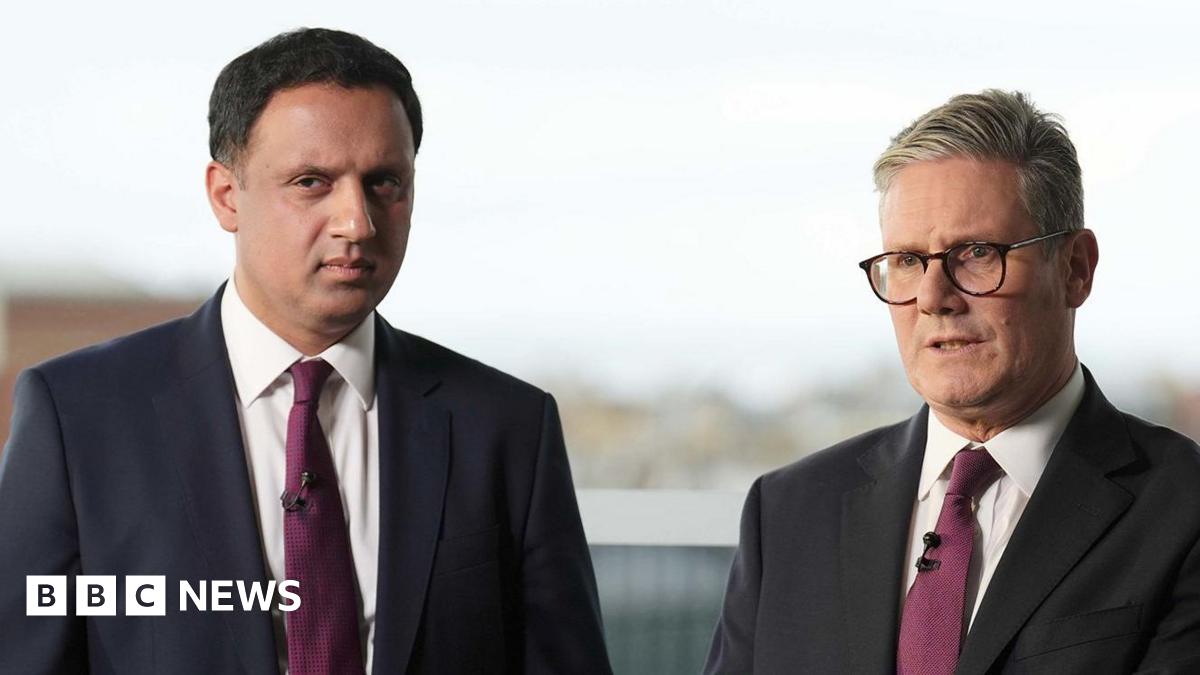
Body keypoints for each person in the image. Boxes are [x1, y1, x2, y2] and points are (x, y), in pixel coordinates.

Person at [0, 28, 612, 675]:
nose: (357, 222)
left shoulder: (508, 429)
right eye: (313, 182)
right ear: (226, 195)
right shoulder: (80, 419)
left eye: (385, 183)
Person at [705, 90, 1200, 674]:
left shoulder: (1183, 510)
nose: (935, 298)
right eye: (909, 261)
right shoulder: (789, 512)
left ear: (1074, 269)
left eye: (975, 254)